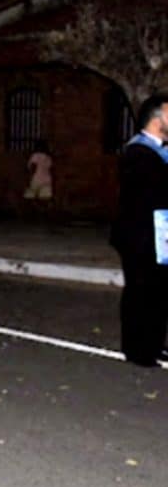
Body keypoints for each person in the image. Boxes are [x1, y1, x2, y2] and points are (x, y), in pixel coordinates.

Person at [110, 94, 168, 368]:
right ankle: (137, 349)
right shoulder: (137, 152)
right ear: (157, 119)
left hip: (159, 233)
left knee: (159, 291)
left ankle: (155, 344)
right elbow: (154, 192)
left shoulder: (159, 151)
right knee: (140, 292)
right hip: (140, 236)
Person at [24, 140, 54, 215]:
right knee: (45, 198)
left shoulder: (35, 156)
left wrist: (29, 177)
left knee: (30, 197)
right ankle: (45, 211)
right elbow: (50, 168)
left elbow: (33, 167)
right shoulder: (48, 157)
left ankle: (38, 211)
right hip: (47, 179)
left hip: (36, 178)